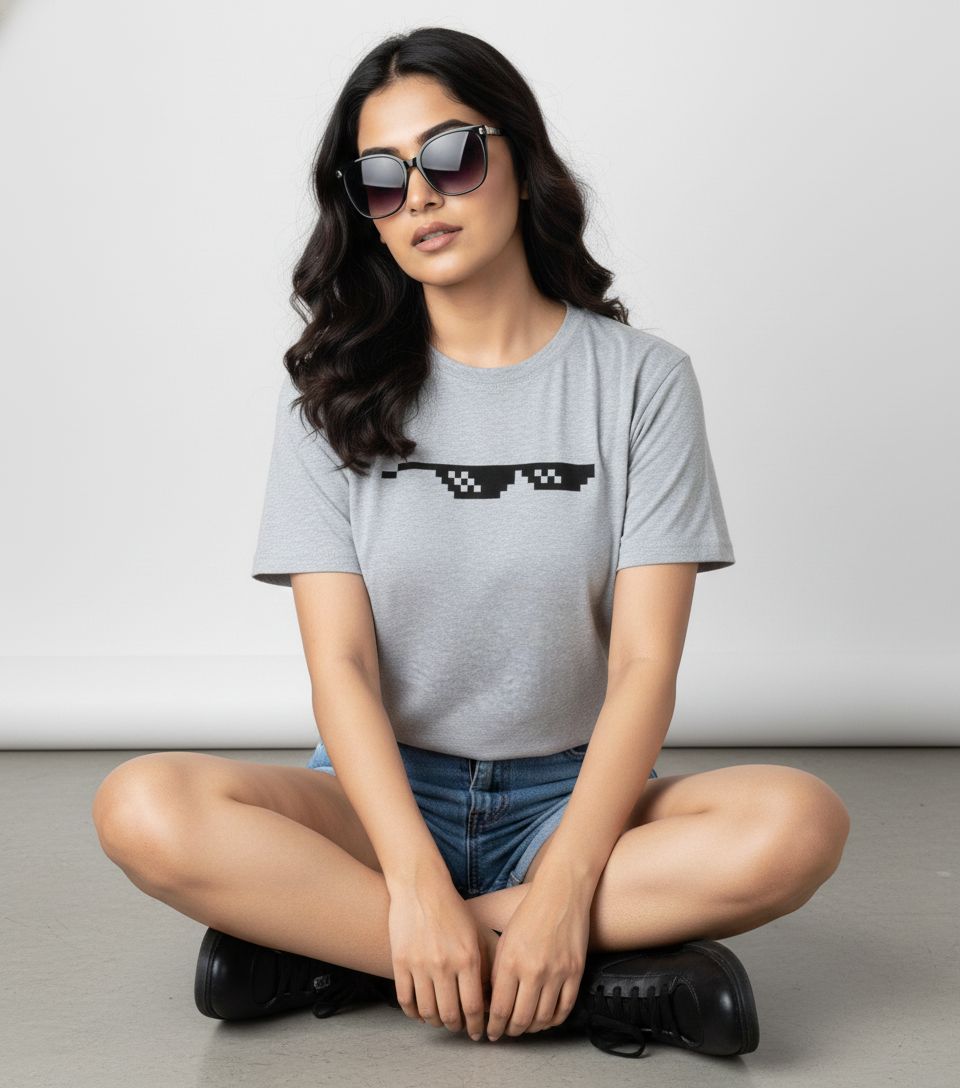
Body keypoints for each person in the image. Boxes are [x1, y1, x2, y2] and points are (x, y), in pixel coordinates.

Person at [91, 26, 851, 1061]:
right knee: (142, 805)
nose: (424, 197)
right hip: (378, 800)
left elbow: (642, 666)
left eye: (450, 155)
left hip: (571, 796)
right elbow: (342, 668)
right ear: (363, 211)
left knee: (799, 822)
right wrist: (409, 871)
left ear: (519, 161)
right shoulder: (326, 394)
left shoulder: (642, 381)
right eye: (382, 180)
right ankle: (585, 973)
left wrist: (570, 877)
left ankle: (345, 950)